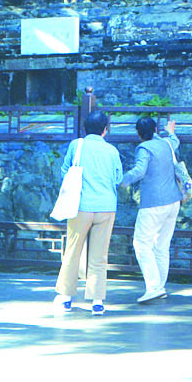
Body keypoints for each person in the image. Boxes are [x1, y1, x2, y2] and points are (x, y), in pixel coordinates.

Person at [53, 110, 122, 314]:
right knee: (99, 255)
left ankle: (66, 298)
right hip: (106, 207)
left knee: (73, 250)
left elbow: (65, 171)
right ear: (105, 130)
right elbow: (118, 179)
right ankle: (97, 301)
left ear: (85, 128)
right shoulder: (112, 151)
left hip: (80, 206)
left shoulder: (77, 145)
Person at [122, 116, 186, 304]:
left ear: (138, 134)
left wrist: (121, 179)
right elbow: (175, 141)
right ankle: (159, 287)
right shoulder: (166, 143)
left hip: (153, 202)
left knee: (141, 243)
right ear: (156, 130)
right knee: (162, 245)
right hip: (173, 200)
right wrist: (171, 131)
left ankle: (153, 287)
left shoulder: (144, 148)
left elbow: (139, 171)